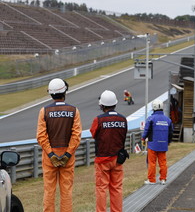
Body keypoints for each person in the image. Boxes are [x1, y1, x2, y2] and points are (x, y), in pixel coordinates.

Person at [36, 78, 82, 212]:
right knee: (66, 191)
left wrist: (51, 154)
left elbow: (41, 136)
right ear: (65, 92)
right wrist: (67, 154)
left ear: (50, 93)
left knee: (49, 190)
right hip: (68, 157)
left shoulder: (44, 111)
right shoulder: (74, 111)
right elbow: (76, 135)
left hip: (50, 157)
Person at [90, 90, 128, 212]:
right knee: (117, 187)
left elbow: (93, 133)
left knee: (101, 188)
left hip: (102, 159)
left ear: (102, 105)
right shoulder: (123, 119)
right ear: (115, 103)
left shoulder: (99, 119)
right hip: (118, 159)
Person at [141, 99, 173, 185]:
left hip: (153, 144)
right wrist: (168, 142)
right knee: (163, 163)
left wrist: (143, 138)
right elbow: (171, 132)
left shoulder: (151, 118)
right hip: (163, 144)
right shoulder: (168, 120)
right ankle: (163, 179)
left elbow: (146, 130)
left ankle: (151, 180)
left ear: (154, 108)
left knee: (152, 162)